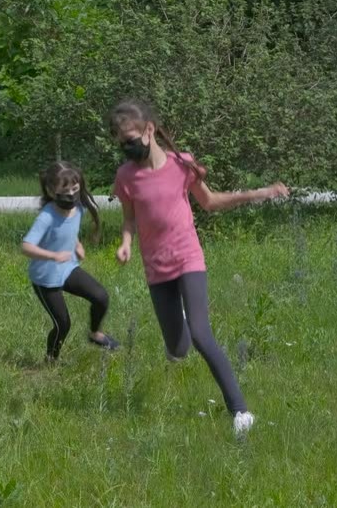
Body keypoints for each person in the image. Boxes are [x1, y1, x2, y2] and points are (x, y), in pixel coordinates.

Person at [109, 99, 289, 435]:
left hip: (188, 258)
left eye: (131, 139)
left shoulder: (181, 165)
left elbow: (209, 202)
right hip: (156, 269)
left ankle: (240, 412)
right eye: (121, 144)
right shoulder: (126, 177)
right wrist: (126, 243)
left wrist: (258, 193)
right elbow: (129, 219)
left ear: (150, 130)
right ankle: (177, 338)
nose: (127, 148)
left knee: (201, 333)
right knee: (178, 348)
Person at [21, 161, 120, 362]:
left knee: (100, 296)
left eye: (75, 189)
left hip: (67, 269)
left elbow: (68, 230)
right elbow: (26, 246)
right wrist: (53, 256)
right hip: (45, 277)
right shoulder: (47, 216)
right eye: (65, 191)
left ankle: (95, 333)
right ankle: (51, 359)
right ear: (51, 191)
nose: (71, 195)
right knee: (62, 324)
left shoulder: (79, 208)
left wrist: (77, 245)